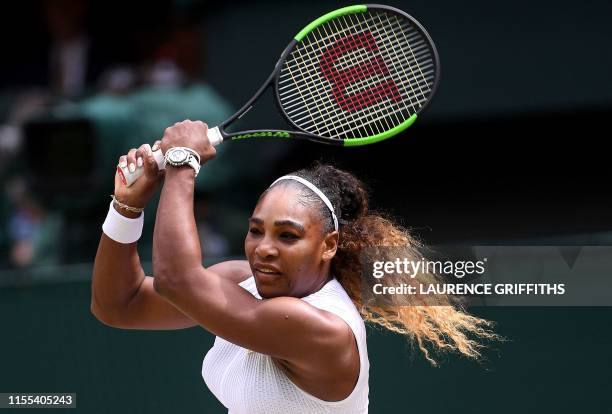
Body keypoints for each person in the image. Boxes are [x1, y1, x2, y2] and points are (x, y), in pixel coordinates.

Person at [91, 120, 499, 413]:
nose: (264, 249)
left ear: (328, 245)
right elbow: (118, 306)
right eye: (256, 231)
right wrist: (127, 206)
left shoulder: (322, 329)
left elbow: (177, 279)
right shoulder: (240, 282)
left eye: (287, 236)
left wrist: (182, 162)